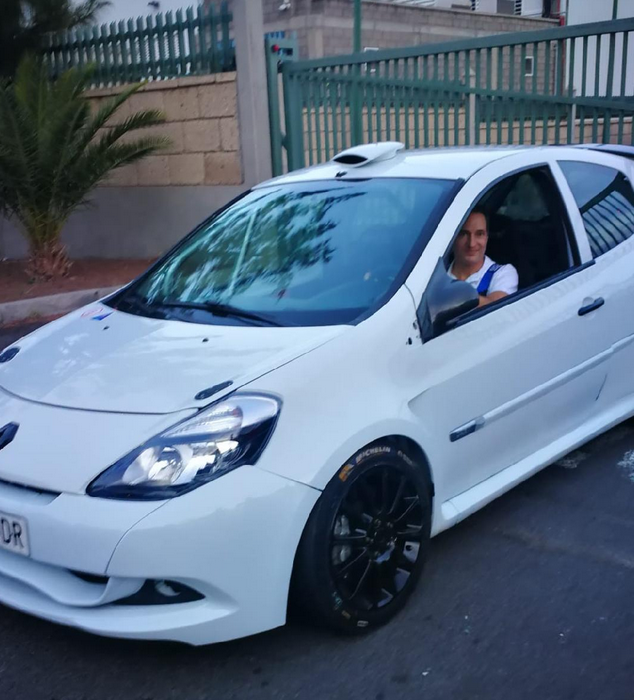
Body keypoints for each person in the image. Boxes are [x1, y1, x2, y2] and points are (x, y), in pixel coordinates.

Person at [449, 209, 518, 307]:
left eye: (479, 234)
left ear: (486, 237)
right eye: (464, 234)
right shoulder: (435, 273)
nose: (471, 244)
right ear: (453, 237)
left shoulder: (503, 273)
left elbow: (496, 308)